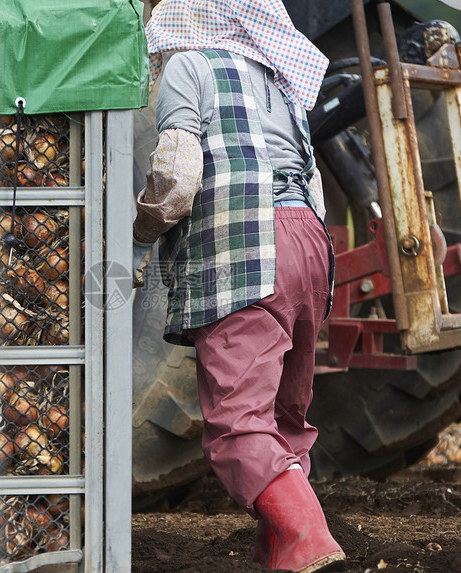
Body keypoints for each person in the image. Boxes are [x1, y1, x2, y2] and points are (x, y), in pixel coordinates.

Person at [131, 0, 345, 571]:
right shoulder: (277, 75)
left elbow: (177, 176)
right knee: (284, 417)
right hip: (310, 246)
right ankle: (276, 549)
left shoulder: (190, 67)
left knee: (236, 422)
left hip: (249, 250)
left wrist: (138, 230)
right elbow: (313, 183)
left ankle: (307, 539)